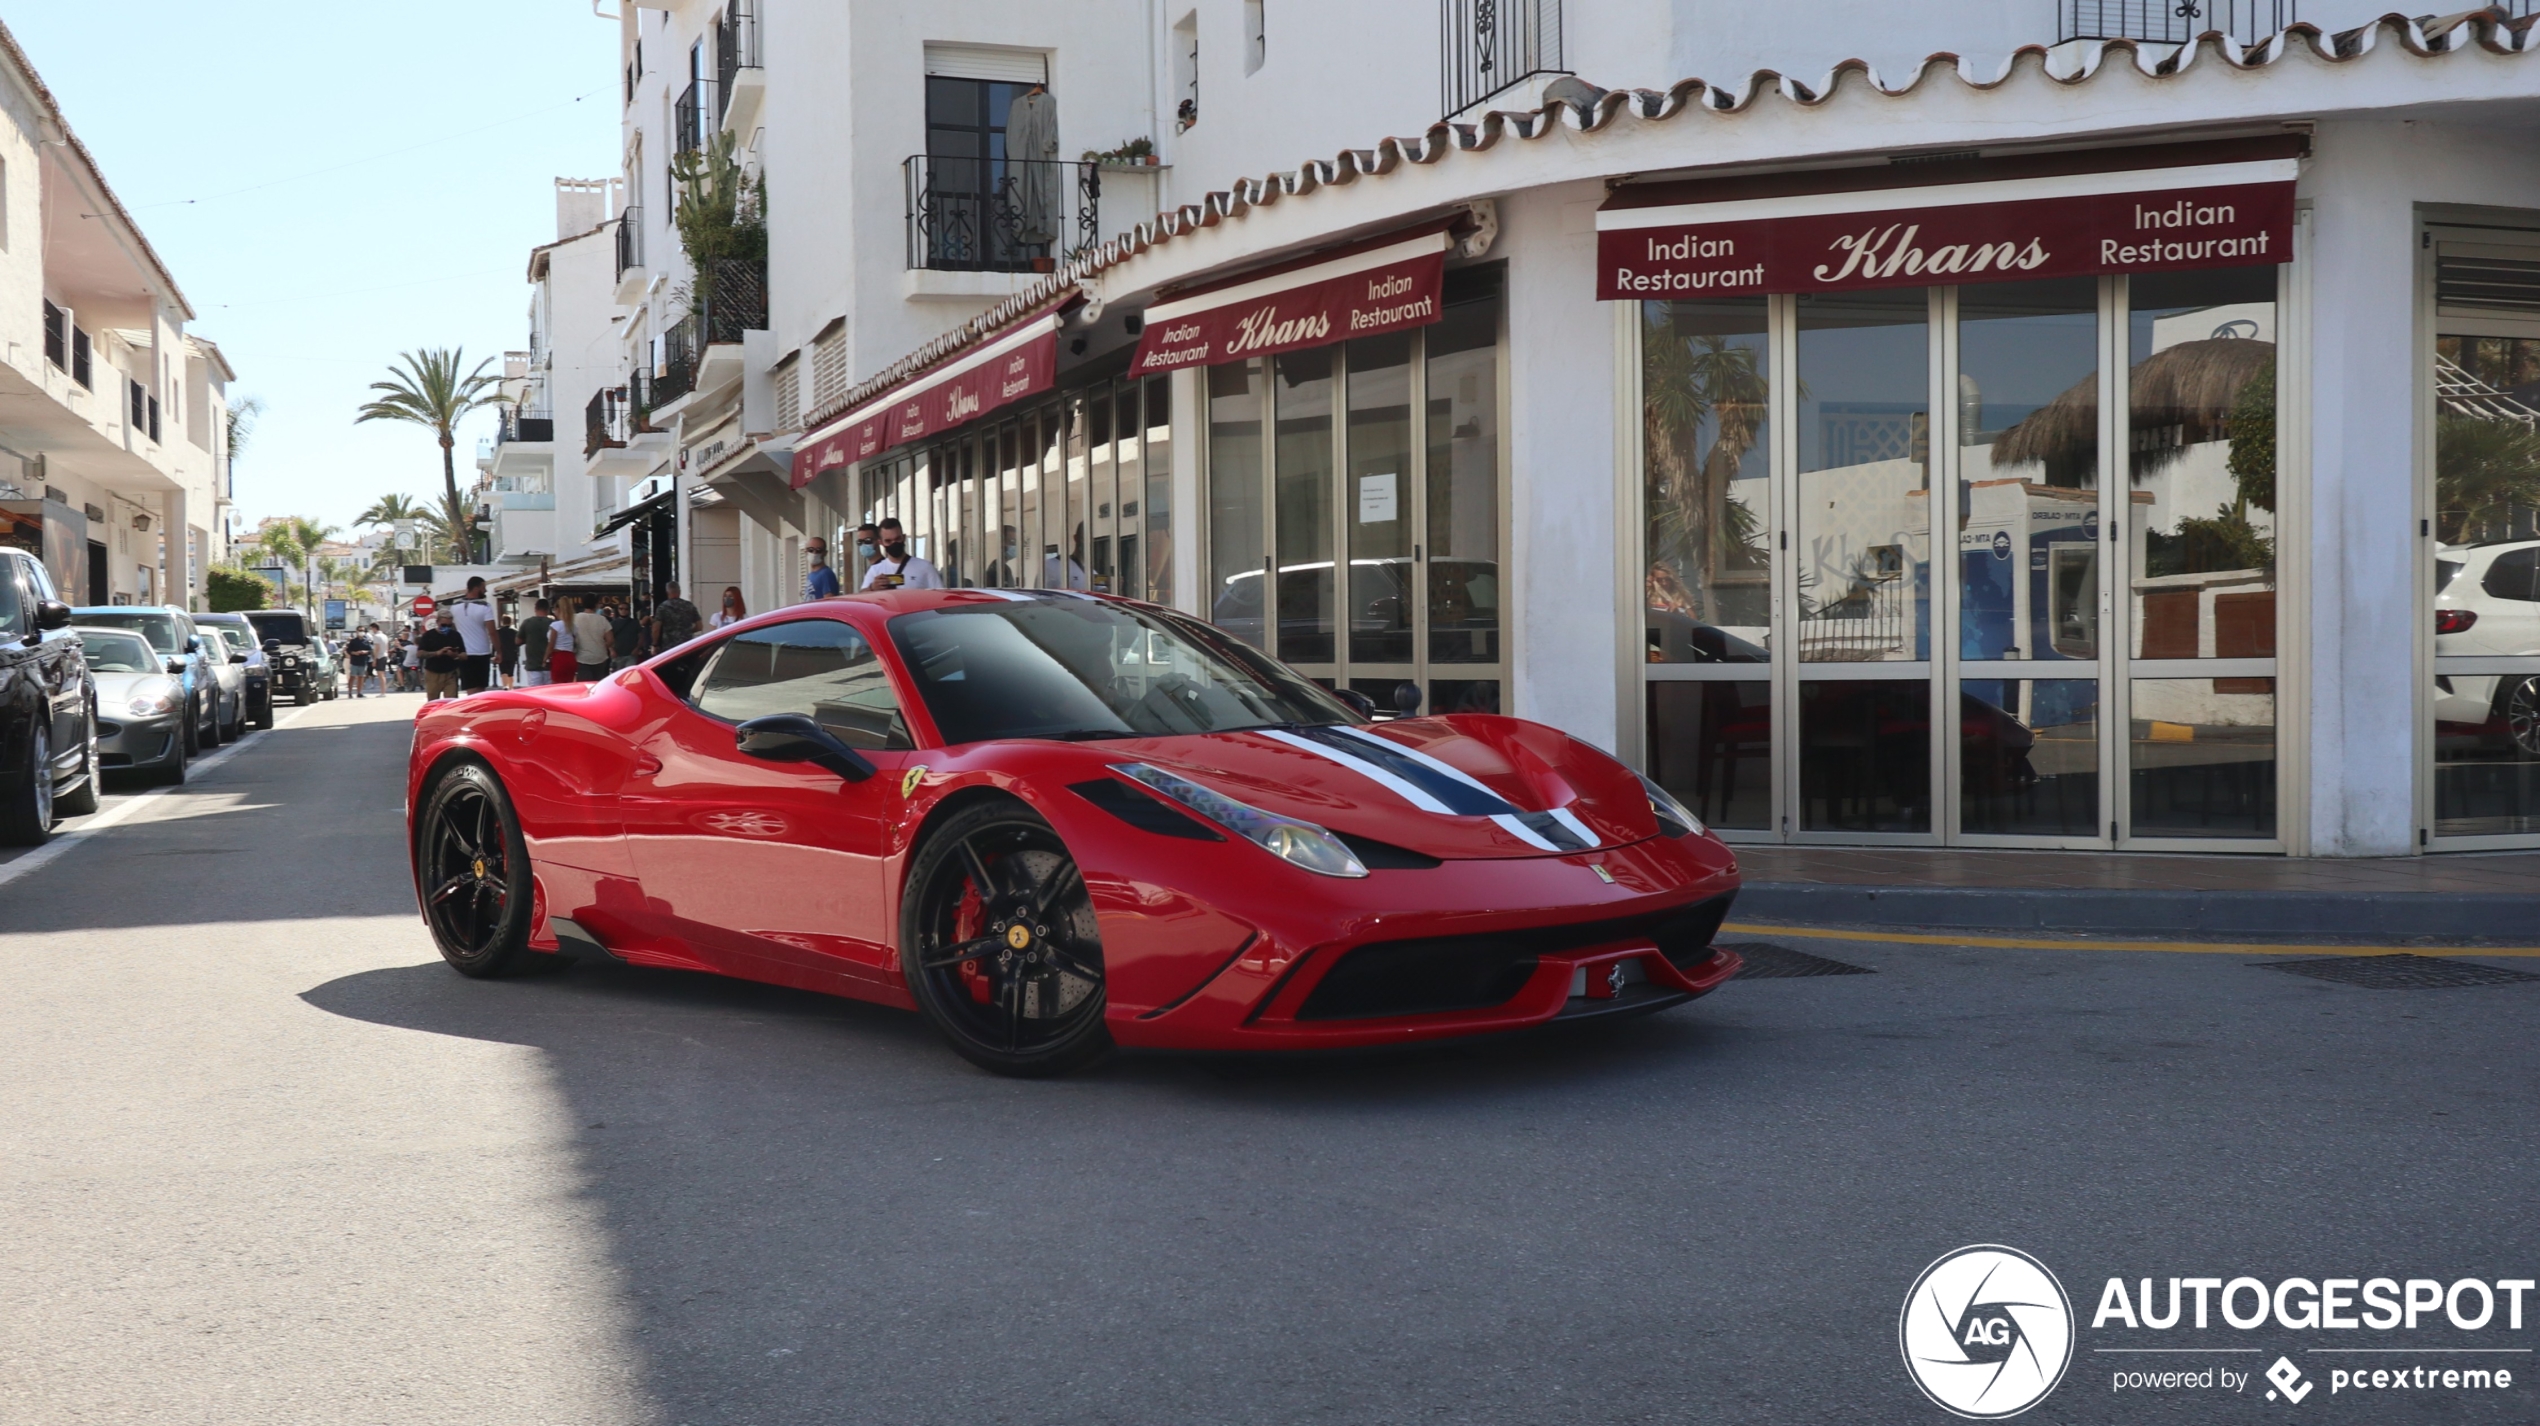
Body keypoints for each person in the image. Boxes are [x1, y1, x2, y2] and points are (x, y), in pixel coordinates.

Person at [860, 517, 944, 590]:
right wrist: (872, 588)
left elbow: (940, 596)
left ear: (903, 538)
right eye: (888, 541)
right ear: (881, 542)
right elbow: (862, 597)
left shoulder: (925, 567)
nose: (894, 543)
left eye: (897, 539)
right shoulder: (875, 570)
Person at [451, 576, 497, 693]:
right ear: (476, 588)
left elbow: (453, 629)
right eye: (483, 588)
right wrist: (499, 651)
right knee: (481, 688)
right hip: (482, 652)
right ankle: (477, 710)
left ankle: (472, 709)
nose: (485, 590)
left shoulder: (454, 607)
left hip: (464, 653)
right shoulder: (485, 607)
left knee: (470, 688)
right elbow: (492, 631)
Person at [417, 611, 465, 701]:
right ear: (437, 622)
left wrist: (455, 655)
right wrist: (436, 653)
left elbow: (464, 655)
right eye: (443, 625)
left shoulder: (456, 635)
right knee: (433, 702)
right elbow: (420, 654)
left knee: (451, 702)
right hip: (433, 673)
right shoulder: (428, 635)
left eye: (449, 625)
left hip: (451, 673)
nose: (446, 627)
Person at [571, 597, 613, 682]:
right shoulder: (602, 619)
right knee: (599, 685)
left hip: (581, 657)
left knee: (584, 685)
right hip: (600, 656)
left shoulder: (575, 618)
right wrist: (601, 646)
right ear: (596, 605)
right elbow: (610, 640)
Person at [652, 581, 703, 648]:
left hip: (669, 647)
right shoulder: (689, 606)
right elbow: (699, 626)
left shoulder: (662, 607)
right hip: (687, 645)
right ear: (679, 592)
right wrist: (687, 631)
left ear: (667, 592)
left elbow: (656, 629)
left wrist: (655, 644)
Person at [518, 599, 555, 687]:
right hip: (549, 665)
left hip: (533, 665)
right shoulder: (553, 624)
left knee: (535, 693)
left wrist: (528, 639)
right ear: (548, 609)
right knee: (549, 693)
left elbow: (517, 641)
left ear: (535, 608)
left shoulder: (527, 623)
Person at [548, 598, 580, 684]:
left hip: (558, 657)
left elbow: (551, 644)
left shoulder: (555, 625)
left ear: (558, 609)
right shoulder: (573, 626)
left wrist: (544, 659)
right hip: (570, 657)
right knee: (568, 686)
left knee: (556, 686)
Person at [607, 600, 645, 671]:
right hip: (617, 654)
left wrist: (637, 649)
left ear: (629, 610)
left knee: (630, 674)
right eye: (621, 608)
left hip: (631, 654)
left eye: (626, 609)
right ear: (618, 610)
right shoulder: (613, 623)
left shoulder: (635, 623)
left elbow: (641, 637)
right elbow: (609, 638)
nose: (623, 611)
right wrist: (611, 650)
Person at [803, 536, 842, 601]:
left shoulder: (826, 574)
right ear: (806, 551)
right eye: (811, 550)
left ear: (825, 553)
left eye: (818, 550)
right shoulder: (811, 575)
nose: (814, 553)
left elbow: (829, 602)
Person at [343, 627, 377, 697]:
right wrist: (354, 653)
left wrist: (365, 652)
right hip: (354, 661)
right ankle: (350, 692)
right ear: (357, 631)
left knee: (361, 677)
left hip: (363, 661)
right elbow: (348, 650)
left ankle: (359, 692)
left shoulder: (366, 641)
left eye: (363, 631)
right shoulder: (353, 641)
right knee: (352, 677)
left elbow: (370, 650)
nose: (361, 632)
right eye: (360, 630)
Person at [494, 613, 520, 690]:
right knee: (511, 672)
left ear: (502, 622)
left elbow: (494, 643)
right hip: (512, 654)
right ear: (511, 621)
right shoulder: (515, 632)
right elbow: (517, 643)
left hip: (501, 654)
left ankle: (505, 686)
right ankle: (511, 687)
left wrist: (494, 653)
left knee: (503, 671)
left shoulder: (498, 632)